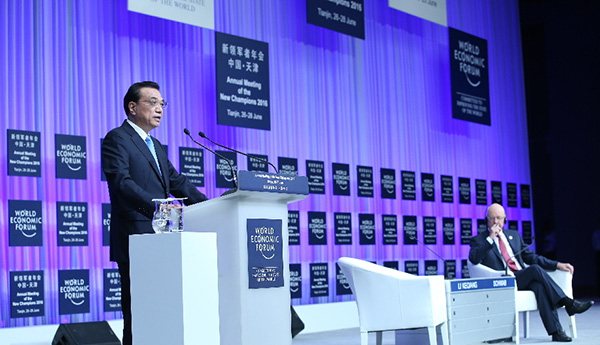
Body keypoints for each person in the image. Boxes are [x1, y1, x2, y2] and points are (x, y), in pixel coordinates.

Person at [101, 81, 208, 345]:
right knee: (138, 312)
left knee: (161, 310)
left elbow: (176, 181)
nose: (159, 108)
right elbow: (121, 183)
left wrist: (208, 206)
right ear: (132, 106)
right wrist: (158, 206)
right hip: (135, 236)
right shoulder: (117, 138)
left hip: (162, 241)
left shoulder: (155, 144)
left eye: (162, 103)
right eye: (153, 102)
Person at [469, 203, 593, 342]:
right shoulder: (479, 240)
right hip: (504, 280)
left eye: (499, 218)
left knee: (539, 286)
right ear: (487, 220)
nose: (496, 222)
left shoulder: (514, 236)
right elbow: (474, 259)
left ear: (505, 219)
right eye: (492, 218)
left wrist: (557, 264)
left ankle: (556, 332)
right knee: (534, 270)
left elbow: (531, 257)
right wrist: (491, 238)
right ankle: (568, 303)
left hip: (522, 277)